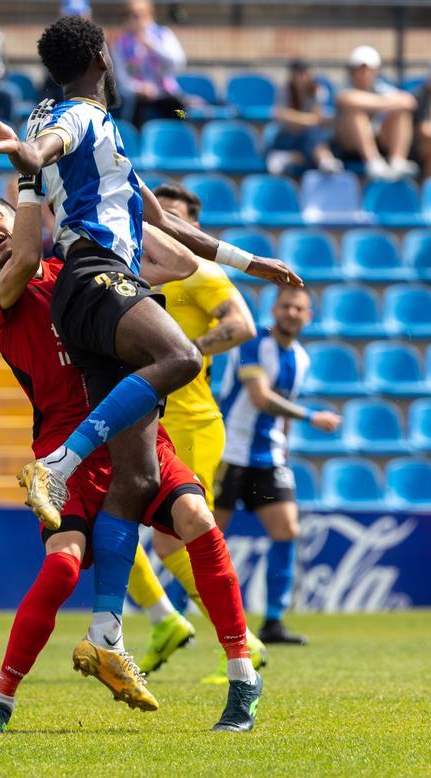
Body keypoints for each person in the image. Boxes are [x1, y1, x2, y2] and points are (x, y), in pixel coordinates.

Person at [0, 16, 299, 663]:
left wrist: (249, 262)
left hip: (86, 288)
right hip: (97, 276)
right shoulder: (78, 120)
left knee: (136, 475)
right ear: (102, 56)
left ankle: (105, 633)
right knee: (180, 355)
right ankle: (60, 464)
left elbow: (165, 222)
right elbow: (48, 149)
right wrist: (27, 156)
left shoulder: (80, 130)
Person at [0, 185, 263, 733]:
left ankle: (243, 675)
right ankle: (0, 698)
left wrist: (124, 202)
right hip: (62, 444)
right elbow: (26, 255)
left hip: (135, 429)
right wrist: (35, 188)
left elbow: (181, 261)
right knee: (61, 566)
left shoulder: (85, 269)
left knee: (197, 521)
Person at [126, 183, 263, 680]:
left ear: (193, 229)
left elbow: (243, 325)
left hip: (192, 421)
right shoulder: (133, 268)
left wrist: (185, 350)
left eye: (175, 220)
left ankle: (240, 642)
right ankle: (169, 621)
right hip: (147, 419)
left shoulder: (202, 271)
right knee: (112, 525)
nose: (163, 228)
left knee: (174, 537)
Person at [214, 287, 342, 646]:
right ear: (274, 310)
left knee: (287, 529)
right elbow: (260, 396)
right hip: (230, 450)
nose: (291, 312)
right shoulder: (255, 343)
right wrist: (311, 416)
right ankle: (180, 615)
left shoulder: (301, 358)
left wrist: (284, 444)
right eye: (285, 306)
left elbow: (280, 407)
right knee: (208, 536)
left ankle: (273, 620)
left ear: (308, 316)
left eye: (298, 308)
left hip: (268, 457)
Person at [334, 45, 418, 181]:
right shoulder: (344, 89)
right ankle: (372, 162)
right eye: (360, 70)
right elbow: (348, 100)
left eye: (369, 70)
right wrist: (385, 103)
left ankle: (397, 162)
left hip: (380, 139)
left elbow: (409, 102)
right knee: (355, 114)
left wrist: (373, 103)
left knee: (401, 114)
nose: (365, 74)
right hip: (348, 146)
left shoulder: (382, 88)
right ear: (351, 71)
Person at [111, 0, 189, 127]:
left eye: (140, 14)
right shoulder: (120, 42)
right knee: (135, 118)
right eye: (131, 15)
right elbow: (122, 79)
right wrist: (139, 89)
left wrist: (153, 47)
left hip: (165, 94)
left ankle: (183, 136)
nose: (136, 19)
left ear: (150, 15)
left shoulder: (163, 35)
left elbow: (178, 63)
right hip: (139, 98)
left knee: (182, 113)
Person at [266, 59, 342, 175]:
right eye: (297, 73)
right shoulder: (284, 92)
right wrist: (309, 120)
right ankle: (325, 159)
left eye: (304, 73)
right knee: (313, 136)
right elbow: (283, 117)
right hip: (286, 138)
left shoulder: (317, 91)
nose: (301, 77)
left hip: (306, 139)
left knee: (315, 136)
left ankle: (289, 157)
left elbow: (316, 119)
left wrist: (295, 118)